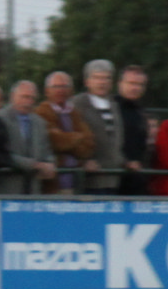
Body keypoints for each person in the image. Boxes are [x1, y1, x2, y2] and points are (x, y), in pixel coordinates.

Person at [73, 60, 129, 190]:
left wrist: (124, 161)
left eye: (106, 78)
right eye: (97, 78)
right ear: (87, 81)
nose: (102, 82)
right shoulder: (78, 104)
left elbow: (115, 139)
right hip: (88, 179)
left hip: (113, 177)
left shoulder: (114, 105)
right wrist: (83, 161)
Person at [1, 79, 57, 195]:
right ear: (12, 96)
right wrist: (34, 165)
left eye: (32, 98)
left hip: (33, 189)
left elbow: (46, 151)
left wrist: (50, 163)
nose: (28, 102)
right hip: (7, 189)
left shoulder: (40, 123)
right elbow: (2, 154)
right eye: (24, 97)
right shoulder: (1, 119)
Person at [39, 71, 92, 192]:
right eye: (56, 86)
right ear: (47, 91)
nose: (60, 90)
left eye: (64, 86)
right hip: (52, 185)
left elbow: (89, 145)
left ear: (71, 90)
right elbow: (54, 142)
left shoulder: (75, 113)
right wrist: (78, 137)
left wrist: (65, 139)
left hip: (76, 184)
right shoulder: (42, 112)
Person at [113, 66, 153, 194]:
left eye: (140, 84)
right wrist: (125, 162)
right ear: (120, 84)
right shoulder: (111, 108)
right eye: (131, 83)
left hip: (137, 178)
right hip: (114, 177)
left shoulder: (141, 112)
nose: (135, 88)